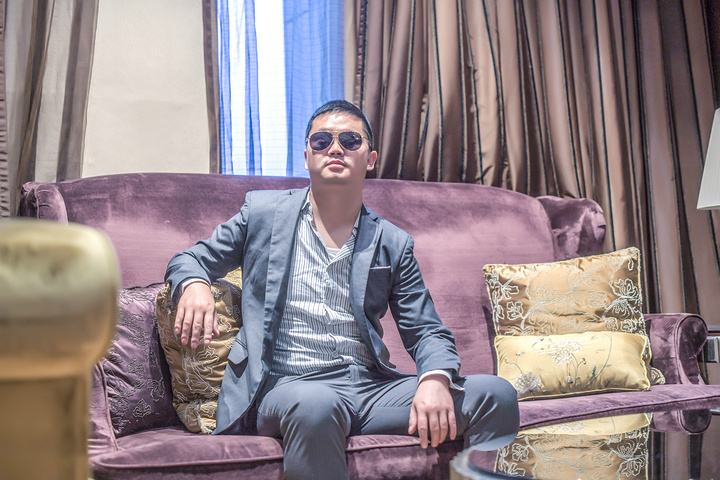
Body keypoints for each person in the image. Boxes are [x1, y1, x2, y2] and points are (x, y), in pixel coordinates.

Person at [165, 100, 519, 479]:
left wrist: (434, 379)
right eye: (322, 141)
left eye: (350, 140)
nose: (335, 148)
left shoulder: (391, 242)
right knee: (316, 403)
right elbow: (189, 259)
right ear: (307, 156)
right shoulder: (263, 213)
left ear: (370, 159)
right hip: (287, 385)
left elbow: (426, 330)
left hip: (370, 388)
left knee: (495, 394)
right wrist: (195, 283)